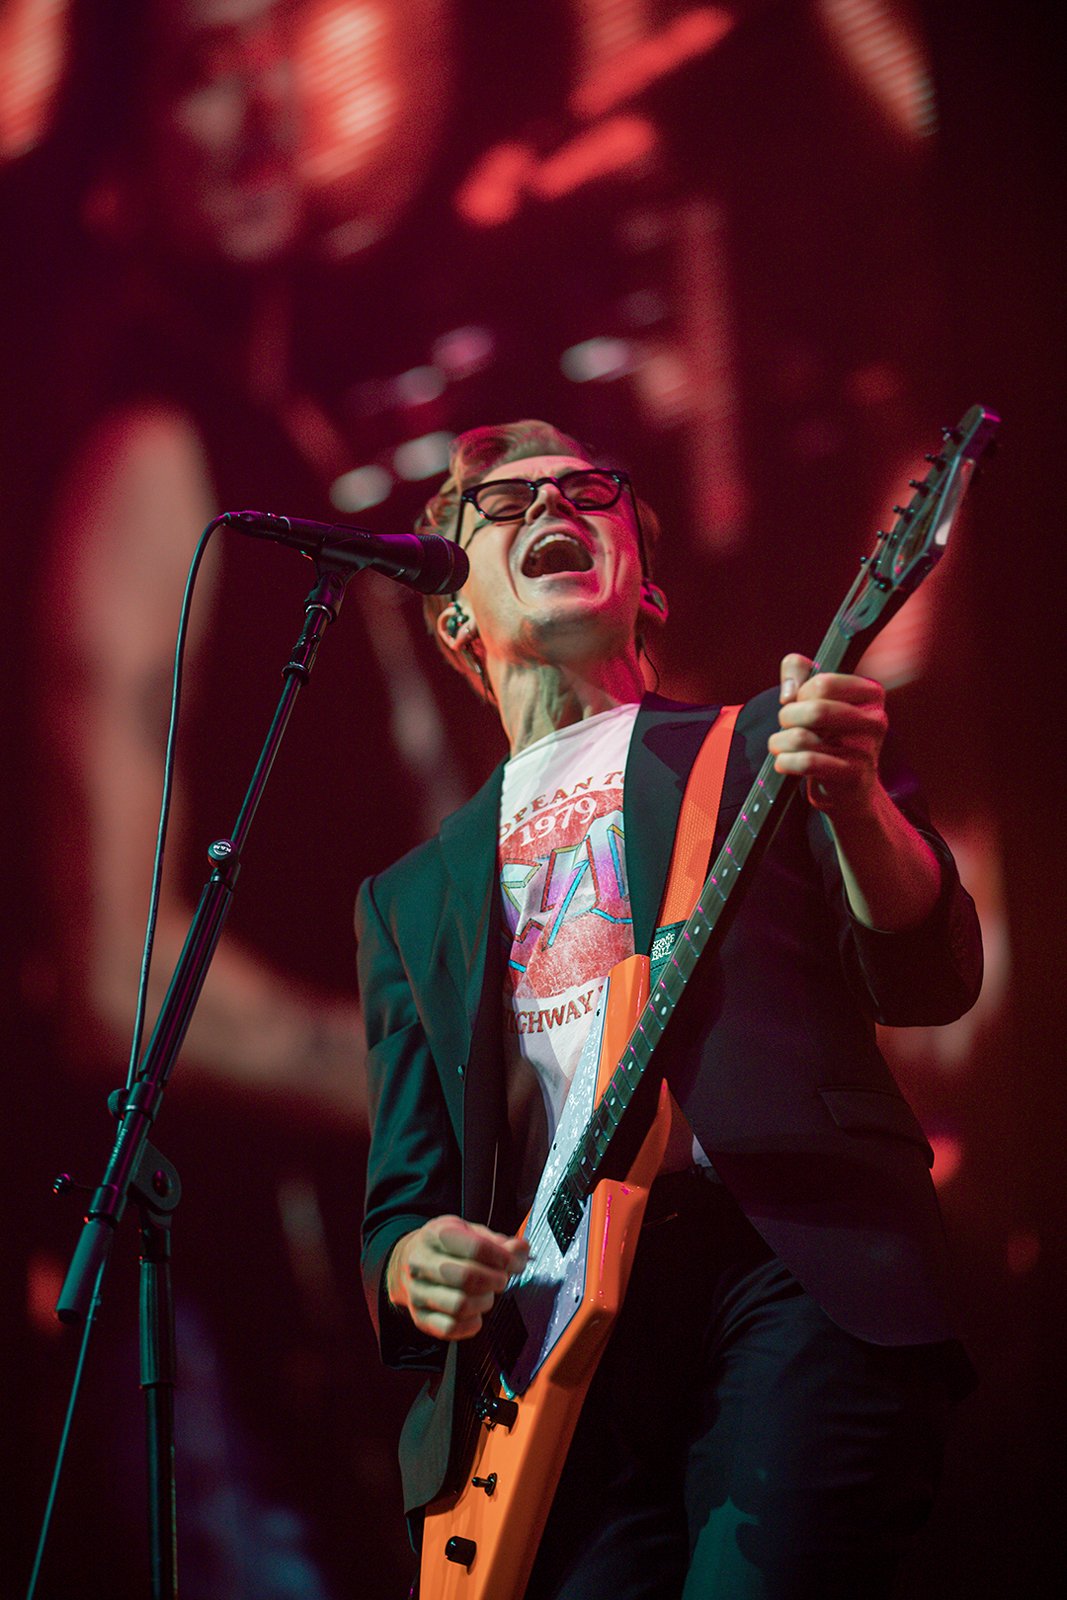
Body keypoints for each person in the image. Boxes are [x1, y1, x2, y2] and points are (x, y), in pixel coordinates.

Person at [356, 418, 983, 1598]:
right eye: (506, 504)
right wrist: (411, 1264)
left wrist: (853, 803)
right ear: (452, 619)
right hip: (551, 1356)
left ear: (645, 588)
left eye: (588, 492)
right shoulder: (408, 896)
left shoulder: (756, 746)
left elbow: (927, 977)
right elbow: (402, 1196)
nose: (554, 506)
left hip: (782, 1261)